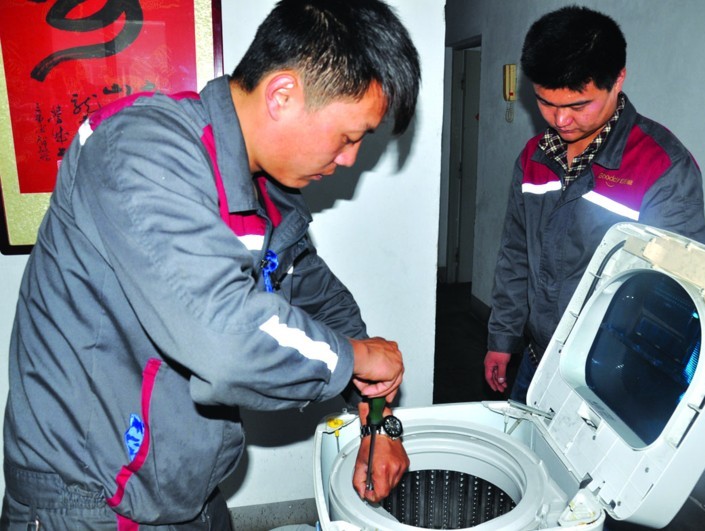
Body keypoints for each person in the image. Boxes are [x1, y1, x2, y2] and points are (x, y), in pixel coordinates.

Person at [1, 0, 421, 528]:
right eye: (349, 136)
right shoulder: (141, 149)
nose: (349, 158)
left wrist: (377, 424)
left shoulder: (269, 194)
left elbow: (326, 307)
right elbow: (226, 338)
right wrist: (355, 357)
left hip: (185, 491)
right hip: (86, 499)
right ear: (283, 94)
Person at [484, 6, 705, 402]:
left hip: (607, 377)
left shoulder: (662, 167)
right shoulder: (534, 158)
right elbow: (516, 255)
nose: (560, 120)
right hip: (536, 359)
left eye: (577, 106)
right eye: (546, 102)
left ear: (618, 79)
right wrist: (502, 337)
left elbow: (673, 293)